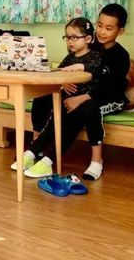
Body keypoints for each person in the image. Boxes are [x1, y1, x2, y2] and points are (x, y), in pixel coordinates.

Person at [17, 4, 130, 180]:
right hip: (80, 93)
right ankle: (37, 147)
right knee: (44, 98)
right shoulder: (90, 45)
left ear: (120, 31)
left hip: (109, 98)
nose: (101, 32)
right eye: (99, 25)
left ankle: (96, 161)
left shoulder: (120, 56)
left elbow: (108, 87)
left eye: (109, 28)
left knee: (84, 107)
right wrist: (64, 83)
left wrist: (80, 98)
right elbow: (69, 66)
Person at [10, 17, 102, 176]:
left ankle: (48, 160)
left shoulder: (95, 56)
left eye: (74, 37)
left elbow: (93, 70)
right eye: (67, 37)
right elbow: (59, 73)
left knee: (66, 120)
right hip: (64, 100)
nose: (70, 41)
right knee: (49, 113)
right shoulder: (69, 58)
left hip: (82, 102)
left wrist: (77, 68)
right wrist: (62, 83)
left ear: (88, 39)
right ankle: (32, 152)